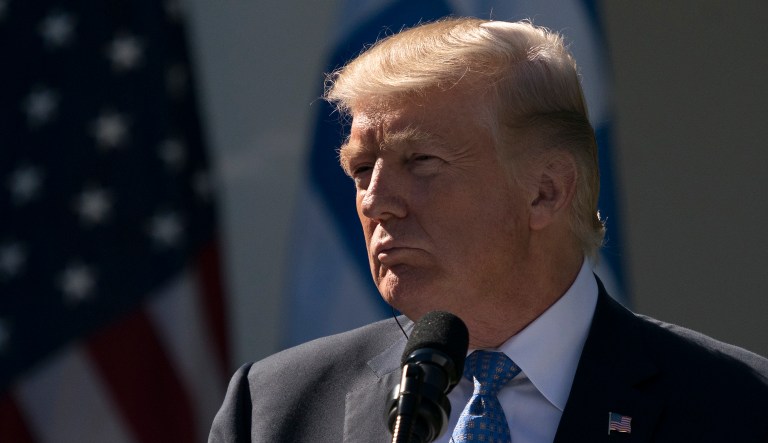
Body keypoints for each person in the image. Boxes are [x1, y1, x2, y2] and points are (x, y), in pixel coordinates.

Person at [209, 18, 768, 443]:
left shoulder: (739, 407)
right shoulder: (274, 410)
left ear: (545, 190)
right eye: (361, 170)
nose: (376, 201)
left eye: (421, 161)